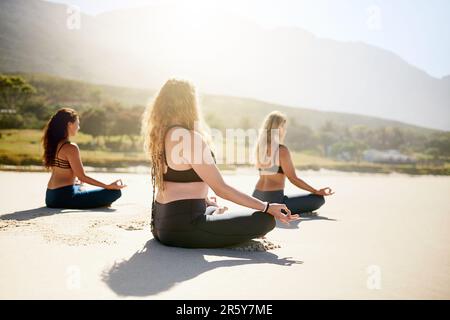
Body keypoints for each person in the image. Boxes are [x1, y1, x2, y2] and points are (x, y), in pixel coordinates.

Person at [141, 79, 299, 249]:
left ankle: (212, 210)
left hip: (159, 225)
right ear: (189, 103)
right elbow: (221, 188)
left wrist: (205, 200)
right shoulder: (189, 137)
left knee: (214, 207)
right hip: (184, 228)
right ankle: (213, 214)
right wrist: (267, 206)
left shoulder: (161, 136)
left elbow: (177, 180)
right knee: (265, 220)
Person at [252, 111, 334, 214]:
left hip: (256, 198)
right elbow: (293, 178)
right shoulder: (281, 150)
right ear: (278, 128)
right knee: (318, 199)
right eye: (283, 126)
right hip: (274, 200)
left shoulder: (260, 148)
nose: (285, 130)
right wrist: (315, 191)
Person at [43, 107, 126, 209]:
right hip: (63, 197)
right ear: (69, 124)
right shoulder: (71, 147)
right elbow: (82, 177)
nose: (79, 127)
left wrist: (75, 181)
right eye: (77, 124)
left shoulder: (54, 144)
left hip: (50, 196)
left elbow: (65, 172)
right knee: (115, 192)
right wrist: (107, 186)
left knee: (79, 186)